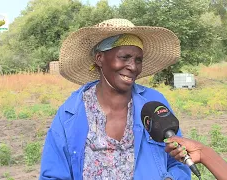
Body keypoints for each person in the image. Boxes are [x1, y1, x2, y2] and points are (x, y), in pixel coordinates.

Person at [39, 18, 191, 180]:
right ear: (99, 58)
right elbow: (53, 175)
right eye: (124, 57)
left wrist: (171, 178)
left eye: (138, 60)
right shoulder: (71, 113)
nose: (133, 67)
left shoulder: (153, 104)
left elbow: (178, 161)